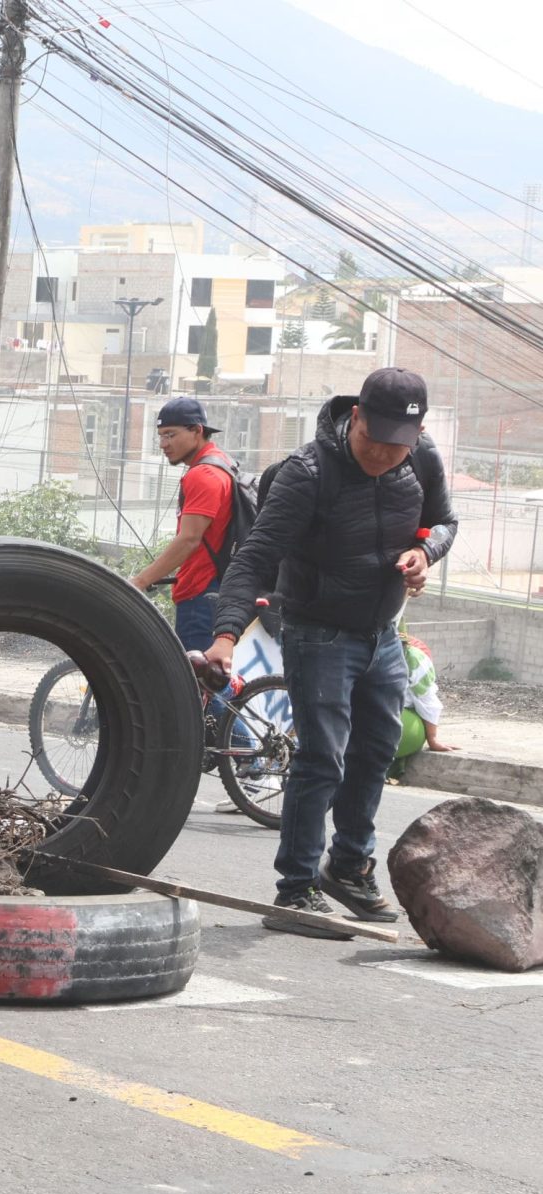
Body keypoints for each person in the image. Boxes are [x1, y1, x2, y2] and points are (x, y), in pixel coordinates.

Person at [202, 368, 457, 934]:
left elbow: (442, 522)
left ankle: (348, 866)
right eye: (375, 441)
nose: (385, 456)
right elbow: (255, 558)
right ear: (356, 416)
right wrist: (226, 635)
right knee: (323, 758)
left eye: (399, 446)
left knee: (377, 752)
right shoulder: (307, 473)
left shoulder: (422, 457)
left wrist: (425, 552)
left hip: (382, 634)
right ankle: (293, 890)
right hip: (318, 633)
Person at [130, 396, 242, 672]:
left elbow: (189, 539)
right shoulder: (223, 464)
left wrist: (141, 581)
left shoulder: (204, 475)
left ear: (197, 431)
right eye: (160, 436)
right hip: (212, 589)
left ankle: (232, 719)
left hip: (201, 594)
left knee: (199, 687)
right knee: (207, 683)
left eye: (171, 434)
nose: (163, 444)